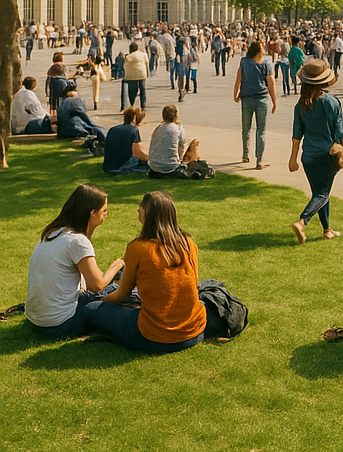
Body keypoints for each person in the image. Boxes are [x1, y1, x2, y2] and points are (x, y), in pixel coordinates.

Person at [84, 191, 207, 354]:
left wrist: (102, 299)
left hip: (153, 337)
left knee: (91, 309)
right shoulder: (188, 244)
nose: (138, 210)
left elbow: (122, 294)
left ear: (147, 214)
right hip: (194, 332)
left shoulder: (139, 249)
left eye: (140, 206)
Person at [25, 184, 125, 338]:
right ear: (92, 213)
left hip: (36, 320)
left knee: (109, 287)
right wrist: (115, 266)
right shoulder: (77, 241)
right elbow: (97, 285)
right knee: (117, 280)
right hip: (62, 324)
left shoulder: (53, 232)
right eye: (104, 210)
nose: (107, 214)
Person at [288, 58, 343, 243]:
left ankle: (327, 230)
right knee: (323, 194)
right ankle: (302, 222)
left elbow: (297, 136)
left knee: (319, 193)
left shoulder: (300, 105)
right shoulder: (332, 102)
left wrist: (293, 159)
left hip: (308, 157)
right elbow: (340, 133)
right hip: (327, 156)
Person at [233, 39, 278, 169]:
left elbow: (239, 78)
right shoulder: (266, 63)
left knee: (246, 129)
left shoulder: (244, 61)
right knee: (261, 131)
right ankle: (259, 160)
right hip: (262, 99)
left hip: (247, 98)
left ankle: (245, 154)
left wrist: (235, 93)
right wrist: (274, 101)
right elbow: (271, 83)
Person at [147, 103, 201, 178]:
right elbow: (183, 146)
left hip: (154, 166)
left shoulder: (158, 128)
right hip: (170, 166)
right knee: (194, 143)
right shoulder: (178, 128)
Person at [103, 107, 151, 175]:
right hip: (120, 166)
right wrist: (149, 158)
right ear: (134, 118)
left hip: (108, 165)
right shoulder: (133, 130)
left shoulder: (113, 129)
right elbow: (138, 154)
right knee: (144, 164)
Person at [121, 40, 149, 110]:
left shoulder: (128, 57)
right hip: (142, 74)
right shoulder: (144, 55)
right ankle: (143, 106)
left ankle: (132, 104)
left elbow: (125, 67)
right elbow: (147, 64)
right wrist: (147, 73)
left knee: (132, 91)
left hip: (132, 76)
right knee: (143, 90)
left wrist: (125, 76)